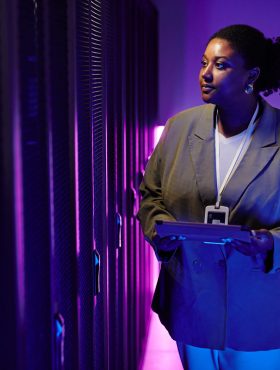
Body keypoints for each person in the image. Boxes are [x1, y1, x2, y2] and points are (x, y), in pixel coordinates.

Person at [137, 24, 280, 370]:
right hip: (193, 301)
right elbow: (151, 195)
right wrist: (160, 230)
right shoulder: (178, 128)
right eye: (204, 63)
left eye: (221, 65)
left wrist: (271, 244)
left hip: (259, 311)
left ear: (252, 75)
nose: (205, 73)